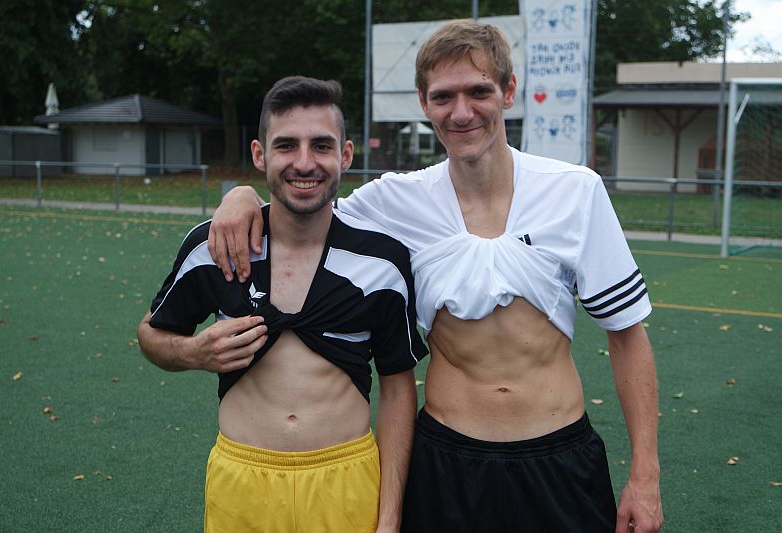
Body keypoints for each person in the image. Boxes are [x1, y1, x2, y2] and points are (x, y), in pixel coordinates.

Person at [210, 21, 663, 533]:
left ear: (508, 92)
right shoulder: (394, 201)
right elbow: (304, 205)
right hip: (446, 463)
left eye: (479, 92)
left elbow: (627, 336)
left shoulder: (575, 191)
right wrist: (242, 196)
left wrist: (645, 476)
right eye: (444, 97)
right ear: (424, 103)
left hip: (559, 459)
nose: (461, 112)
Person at [137, 76, 428, 533]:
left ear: (345, 155)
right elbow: (151, 334)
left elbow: (397, 389)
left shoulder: (382, 261)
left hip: (346, 483)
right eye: (287, 145)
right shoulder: (216, 246)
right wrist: (193, 353)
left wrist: (390, 517)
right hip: (242, 485)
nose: (304, 162)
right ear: (260, 155)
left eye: (321, 146)